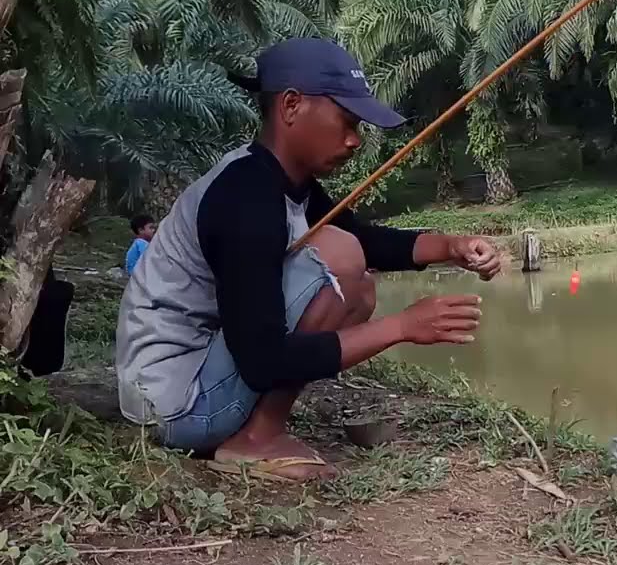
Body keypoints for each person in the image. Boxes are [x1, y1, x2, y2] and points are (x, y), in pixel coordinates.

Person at [114, 37, 502, 483]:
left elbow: (364, 239)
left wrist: (451, 247)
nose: (355, 140)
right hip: (176, 408)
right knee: (339, 257)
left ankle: (256, 431)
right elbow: (262, 360)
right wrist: (403, 327)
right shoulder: (245, 198)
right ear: (292, 105)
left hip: (196, 384)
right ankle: (254, 441)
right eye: (347, 121)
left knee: (356, 278)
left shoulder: (281, 183)